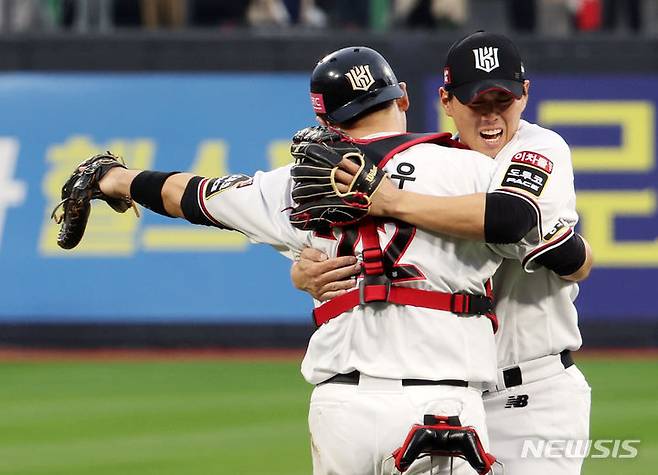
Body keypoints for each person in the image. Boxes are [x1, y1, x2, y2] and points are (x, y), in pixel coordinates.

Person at [55, 46, 561, 475]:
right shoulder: (476, 172)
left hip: (342, 405)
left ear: (325, 118)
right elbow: (550, 244)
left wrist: (115, 179)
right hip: (444, 404)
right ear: (404, 97)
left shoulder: (293, 183)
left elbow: (190, 195)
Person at [291, 32, 592, 474]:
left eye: (502, 100)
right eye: (476, 102)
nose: (490, 115)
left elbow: (511, 221)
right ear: (447, 101)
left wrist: (391, 201)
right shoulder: (433, 165)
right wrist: (306, 270)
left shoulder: (538, 149)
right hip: (454, 392)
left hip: (534, 393)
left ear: (525, 95)